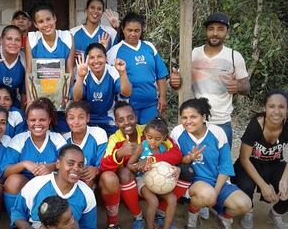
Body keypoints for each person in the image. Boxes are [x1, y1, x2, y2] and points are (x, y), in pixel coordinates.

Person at [170, 12, 250, 149]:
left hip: (222, 121)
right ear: (206, 31)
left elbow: (246, 87)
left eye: (220, 29)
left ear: (227, 32)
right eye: (211, 28)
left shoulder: (234, 56)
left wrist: (238, 86)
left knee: (221, 163)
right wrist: (174, 82)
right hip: (194, 120)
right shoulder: (193, 54)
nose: (215, 33)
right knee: (193, 163)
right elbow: (178, 83)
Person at [170, 98, 252, 229]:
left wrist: (216, 191)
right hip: (194, 182)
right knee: (206, 195)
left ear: (203, 117)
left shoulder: (217, 132)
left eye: (193, 117)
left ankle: (223, 216)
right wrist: (189, 158)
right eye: (184, 117)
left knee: (245, 204)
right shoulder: (178, 132)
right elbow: (175, 160)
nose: (188, 121)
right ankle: (192, 214)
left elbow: (226, 166)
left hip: (217, 180)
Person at [231, 90, 288, 229]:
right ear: (264, 108)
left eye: (281, 107)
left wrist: (284, 180)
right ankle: (248, 210)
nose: (276, 111)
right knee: (246, 186)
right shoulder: (255, 126)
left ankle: (276, 213)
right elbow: (244, 158)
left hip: (274, 163)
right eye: (271, 106)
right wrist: (263, 185)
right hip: (250, 163)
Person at [3, 97, 67, 217]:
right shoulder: (19, 139)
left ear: (49, 121)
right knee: (12, 181)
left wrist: (52, 166)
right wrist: (24, 164)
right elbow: (5, 171)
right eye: (33, 120)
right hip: (25, 183)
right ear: (27, 121)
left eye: (42, 120)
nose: (37, 124)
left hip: (50, 184)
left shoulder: (57, 138)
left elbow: (67, 163)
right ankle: (17, 220)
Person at [11, 144, 97, 229]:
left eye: (80, 165)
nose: (76, 168)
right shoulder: (37, 184)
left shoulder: (86, 194)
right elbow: (17, 212)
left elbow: (88, 226)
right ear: (58, 164)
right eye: (70, 163)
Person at [107, 12, 169, 125]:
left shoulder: (149, 47)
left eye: (137, 30)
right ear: (123, 29)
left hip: (150, 103)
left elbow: (161, 74)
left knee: (150, 137)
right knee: (131, 139)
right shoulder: (114, 51)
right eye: (129, 30)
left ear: (141, 30)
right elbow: (109, 81)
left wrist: (163, 97)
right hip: (127, 106)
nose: (133, 34)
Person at [25, 3, 75, 132]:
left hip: (61, 96)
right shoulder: (32, 39)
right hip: (40, 95)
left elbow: (70, 70)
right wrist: (31, 99)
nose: (46, 24)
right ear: (35, 25)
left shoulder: (67, 37)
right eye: (40, 21)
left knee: (63, 131)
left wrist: (65, 95)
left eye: (48, 19)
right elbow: (29, 72)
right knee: (40, 129)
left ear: (55, 18)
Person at [127, 118, 182, 229]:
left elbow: (167, 165)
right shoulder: (142, 146)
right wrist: (138, 168)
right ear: (145, 135)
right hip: (143, 180)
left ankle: (166, 226)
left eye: (157, 139)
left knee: (172, 199)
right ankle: (150, 226)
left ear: (164, 138)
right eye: (149, 137)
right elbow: (129, 164)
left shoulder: (164, 148)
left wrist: (176, 169)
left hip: (160, 181)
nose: (152, 142)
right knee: (153, 201)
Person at [99, 101, 145, 229]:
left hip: (150, 176)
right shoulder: (115, 139)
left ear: (135, 117)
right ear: (116, 122)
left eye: (130, 117)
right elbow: (103, 166)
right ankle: (138, 217)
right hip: (128, 181)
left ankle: (160, 215)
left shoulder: (147, 130)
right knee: (123, 173)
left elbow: (171, 149)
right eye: (121, 120)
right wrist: (119, 153)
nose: (126, 123)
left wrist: (150, 159)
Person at [72, 42, 131, 136]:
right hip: (87, 118)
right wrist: (80, 77)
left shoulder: (113, 71)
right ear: (87, 59)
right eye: (91, 57)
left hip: (108, 117)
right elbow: (76, 98)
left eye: (99, 56)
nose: (96, 61)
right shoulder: (83, 71)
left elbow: (127, 93)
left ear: (106, 57)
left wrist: (123, 73)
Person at [63, 101, 107, 188]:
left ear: (88, 118)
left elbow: (103, 163)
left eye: (81, 117)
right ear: (67, 120)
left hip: (96, 178)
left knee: (107, 178)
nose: (76, 122)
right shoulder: (64, 139)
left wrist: (96, 169)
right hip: (74, 177)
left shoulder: (98, 133)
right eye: (71, 118)